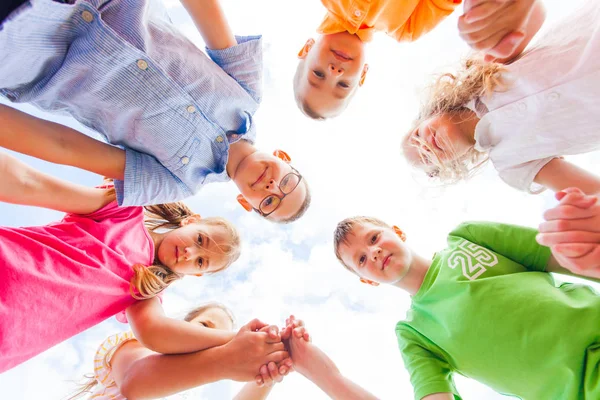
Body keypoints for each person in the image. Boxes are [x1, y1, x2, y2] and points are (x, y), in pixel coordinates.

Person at [0, 0, 311, 222]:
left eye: (269, 202)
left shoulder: (176, 182)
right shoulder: (247, 91)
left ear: (246, 204)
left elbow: (65, 146)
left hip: (29, 48)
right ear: (285, 159)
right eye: (287, 183)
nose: (272, 188)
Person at [0, 152, 276, 375]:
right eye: (200, 239)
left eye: (201, 262)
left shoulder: (148, 289)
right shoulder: (124, 212)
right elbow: (30, 183)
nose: (190, 253)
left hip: (9, 340)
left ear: (197, 274)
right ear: (190, 222)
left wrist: (235, 339)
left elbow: (156, 334)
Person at [333, 216, 600, 399]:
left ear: (397, 231)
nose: (375, 252)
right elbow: (433, 392)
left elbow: (569, 255)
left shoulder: (467, 238)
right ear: (367, 280)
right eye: (362, 259)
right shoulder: (413, 335)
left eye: (374, 238)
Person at [402, 0, 599, 197]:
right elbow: (592, 194)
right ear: (451, 165)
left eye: (417, 136)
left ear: (432, 113)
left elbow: (534, 14)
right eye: (427, 159)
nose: (424, 147)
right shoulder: (512, 165)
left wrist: (499, 12)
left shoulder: (481, 71)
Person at [293, 0, 544, 120]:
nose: (335, 71)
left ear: (306, 49)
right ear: (363, 75)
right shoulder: (407, 29)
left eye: (318, 75)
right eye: (343, 85)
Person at [69, 303, 292, 399]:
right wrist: (228, 355)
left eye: (219, 341)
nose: (212, 340)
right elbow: (134, 383)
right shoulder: (137, 344)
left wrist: (271, 367)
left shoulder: (187, 391)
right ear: (180, 324)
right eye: (205, 326)